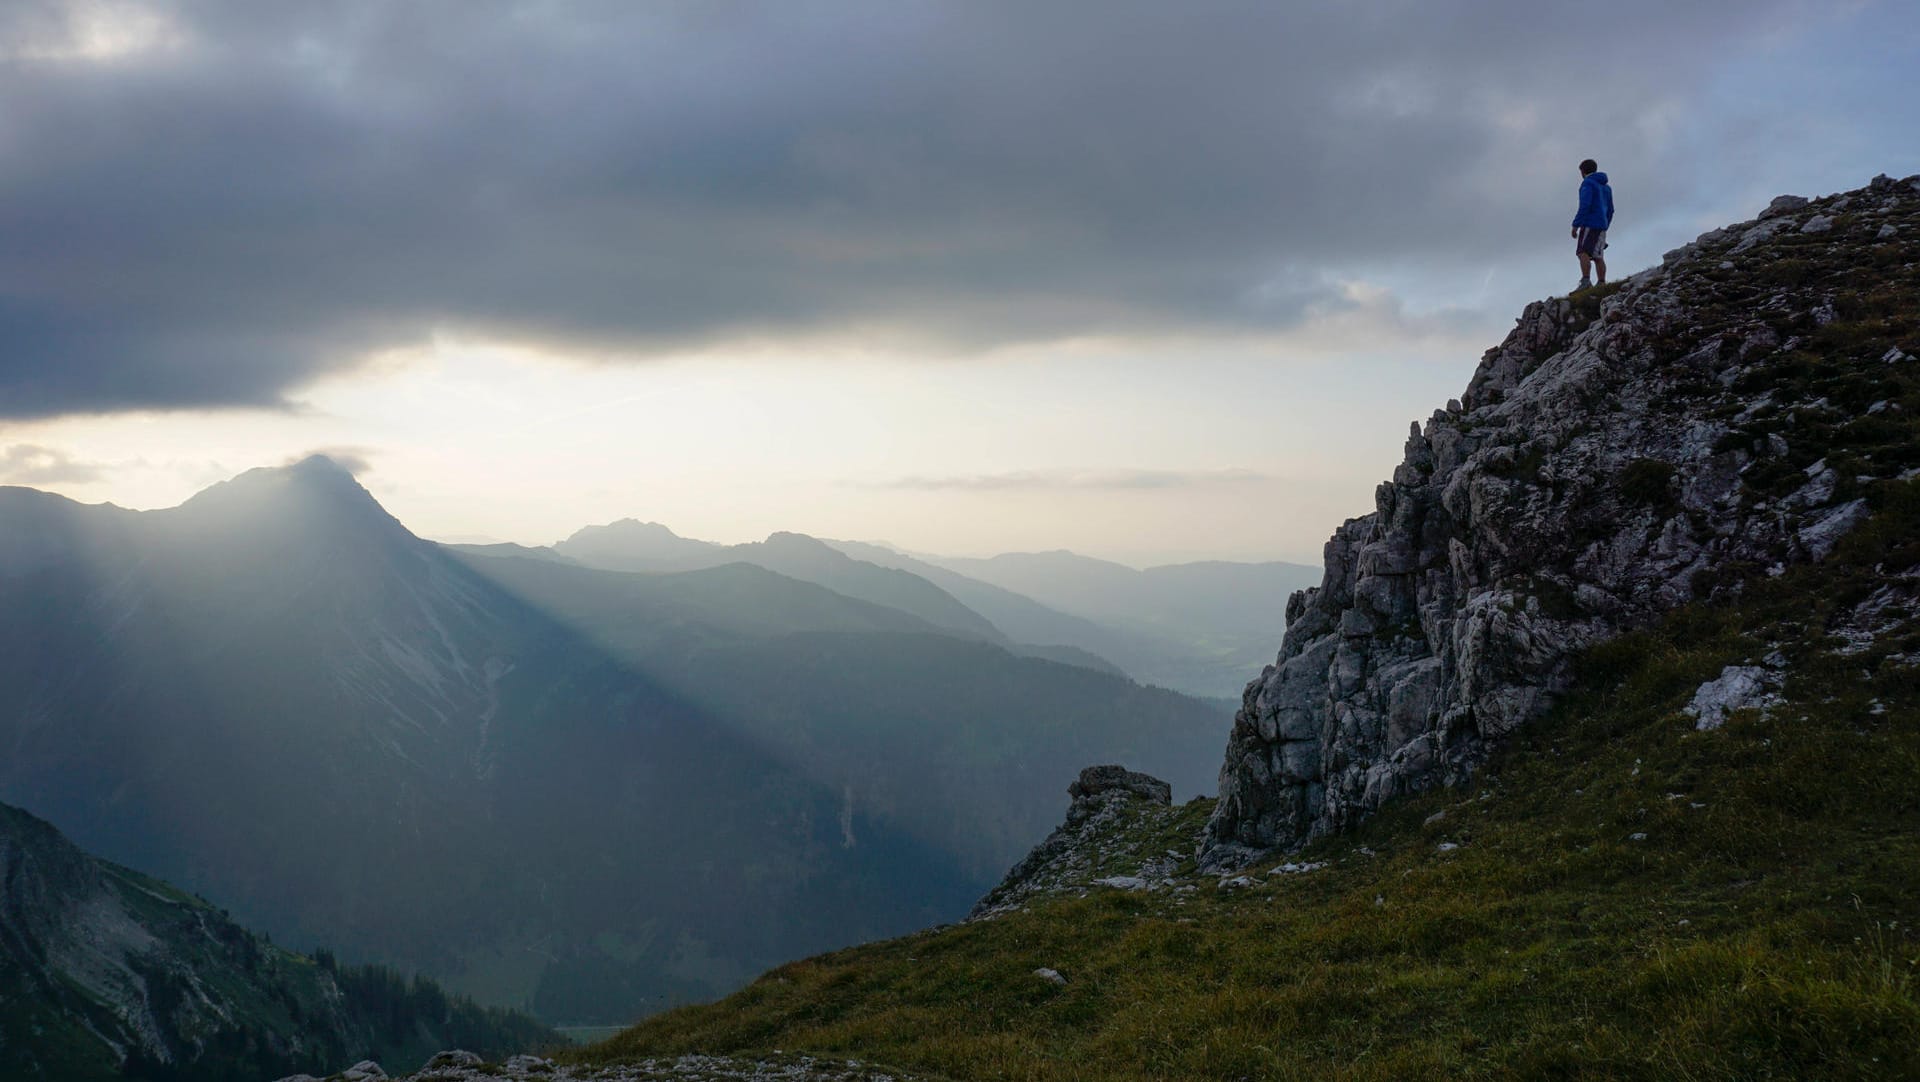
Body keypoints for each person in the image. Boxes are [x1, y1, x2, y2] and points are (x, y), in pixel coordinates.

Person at [1571, 159, 1614, 291]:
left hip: (1589, 223)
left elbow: (1585, 205)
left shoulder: (1587, 184)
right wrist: (1605, 225)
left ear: (1583, 171)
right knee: (1598, 255)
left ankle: (1586, 281)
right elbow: (1611, 209)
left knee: (1582, 252)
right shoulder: (1606, 187)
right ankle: (1601, 283)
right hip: (1602, 225)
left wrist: (1576, 225)